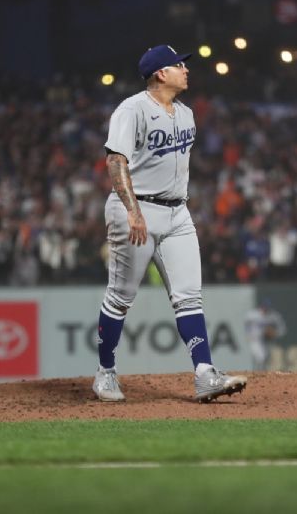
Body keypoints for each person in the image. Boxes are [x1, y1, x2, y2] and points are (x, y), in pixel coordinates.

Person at [92, 45, 247, 403]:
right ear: (160, 73)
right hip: (136, 210)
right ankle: (105, 373)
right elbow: (116, 161)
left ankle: (205, 373)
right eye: (179, 65)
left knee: (189, 295)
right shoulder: (131, 109)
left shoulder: (186, 114)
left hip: (178, 212)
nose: (185, 70)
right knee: (120, 297)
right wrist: (132, 211)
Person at [245, 300, 287, 371]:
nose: (265, 309)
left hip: (267, 340)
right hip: (256, 339)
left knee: (266, 358)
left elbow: (283, 329)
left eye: (267, 307)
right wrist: (248, 333)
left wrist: (275, 333)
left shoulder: (274, 316)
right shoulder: (253, 314)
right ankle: (258, 373)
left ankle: (260, 374)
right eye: (263, 307)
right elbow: (246, 323)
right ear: (261, 307)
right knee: (261, 356)